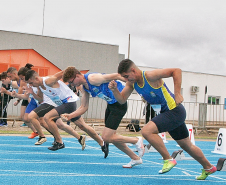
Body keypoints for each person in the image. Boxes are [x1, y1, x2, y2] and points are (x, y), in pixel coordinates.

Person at [108, 59, 217, 180]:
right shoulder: (131, 83)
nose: (126, 79)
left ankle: (168, 159)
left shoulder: (150, 76)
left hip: (174, 110)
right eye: (124, 78)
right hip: (168, 114)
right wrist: (115, 90)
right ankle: (208, 167)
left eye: (127, 76)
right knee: (187, 145)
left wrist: (177, 93)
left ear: (133, 70)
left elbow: (176, 71)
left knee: (147, 131)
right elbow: (122, 99)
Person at [61, 67, 145, 167]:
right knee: (112, 137)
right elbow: (84, 107)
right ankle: (135, 158)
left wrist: (137, 85)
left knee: (106, 137)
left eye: (71, 82)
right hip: (111, 105)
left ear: (77, 76)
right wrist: (70, 115)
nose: (72, 85)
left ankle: (136, 140)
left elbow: (117, 76)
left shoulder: (93, 78)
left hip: (119, 104)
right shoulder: (83, 87)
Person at [25, 70, 107, 156]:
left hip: (69, 102)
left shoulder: (48, 81)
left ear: (36, 78)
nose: (30, 85)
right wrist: (32, 93)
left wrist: (80, 77)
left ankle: (59, 142)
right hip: (63, 104)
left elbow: (64, 72)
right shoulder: (40, 87)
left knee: (47, 117)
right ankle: (102, 143)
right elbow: (41, 100)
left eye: (31, 83)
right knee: (83, 126)